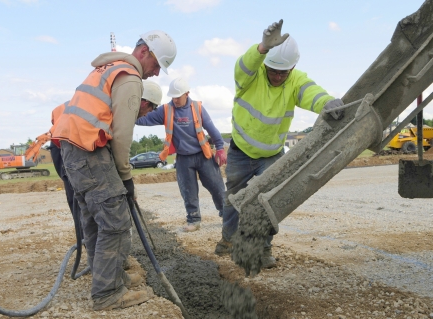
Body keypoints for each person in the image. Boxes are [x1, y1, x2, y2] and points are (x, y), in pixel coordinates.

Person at [51, 30, 176, 311]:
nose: (155, 74)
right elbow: (121, 134)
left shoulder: (106, 69)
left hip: (72, 150)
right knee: (116, 220)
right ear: (144, 53)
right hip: (89, 150)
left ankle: (107, 276)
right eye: (157, 66)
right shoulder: (129, 78)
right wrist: (126, 177)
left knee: (95, 219)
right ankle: (108, 292)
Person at [215, 20, 344, 268]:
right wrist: (262, 48)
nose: (276, 76)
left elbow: (311, 92)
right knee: (233, 197)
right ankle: (229, 241)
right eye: (272, 70)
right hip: (241, 151)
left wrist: (327, 102)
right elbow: (243, 65)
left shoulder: (295, 80)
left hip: (271, 154)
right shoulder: (250, 77)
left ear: (292, 68)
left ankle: (263, 250)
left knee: (269, 201)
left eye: (282, 73)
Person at [136, 77, 226, 232]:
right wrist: (130, 113)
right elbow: (143, 119)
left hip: (203, 155)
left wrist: (220, 148)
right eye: (173, 97)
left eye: (178, 97)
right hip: (184, 158)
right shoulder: (166, 110)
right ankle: (194, 220)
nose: (175, 100)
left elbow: (212, 129)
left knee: (217, 187)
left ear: (187, 94)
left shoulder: (197, 108)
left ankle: (227, 216)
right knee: (188, 190)